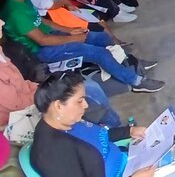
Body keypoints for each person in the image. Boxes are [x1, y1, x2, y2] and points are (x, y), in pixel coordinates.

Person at [0, 0, 163, 93]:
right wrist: (72, 39)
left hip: (51, 37)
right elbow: (42, 40)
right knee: (99, 53)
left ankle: (131, 63)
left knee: (102, 38)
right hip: (41, 51)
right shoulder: (16, 12)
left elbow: (43, 21)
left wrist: (70, 31)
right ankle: (136, 82)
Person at [30, 71, 158, 177]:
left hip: (128, 160)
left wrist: (128, 131)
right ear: (58, 106)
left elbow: (98, 135)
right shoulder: (52, 155)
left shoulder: (64, 121)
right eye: (79, 101)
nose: (85, 105)